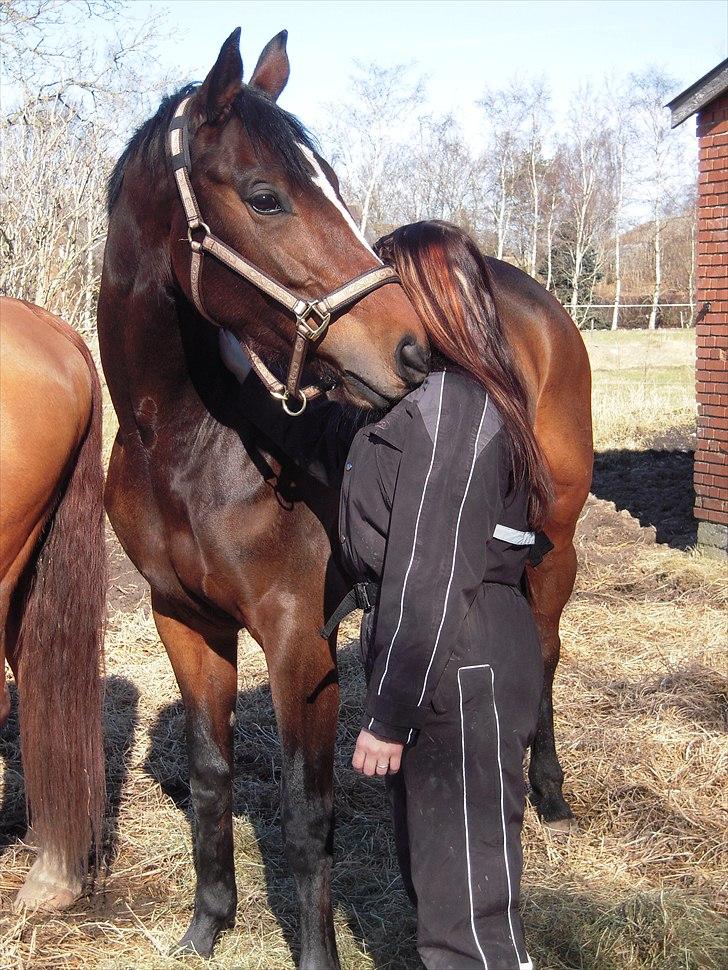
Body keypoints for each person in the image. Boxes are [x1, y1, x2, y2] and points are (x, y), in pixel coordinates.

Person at [221, 221, 552, 970]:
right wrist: (240, 358)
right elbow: (321, 438)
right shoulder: (408, 406)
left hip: (464, 667)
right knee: (438, 885)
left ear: (432, 296)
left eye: (388, 284)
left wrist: (390, 715)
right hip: (438, 662)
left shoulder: (457, 409)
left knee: (468, 912)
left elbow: (430, 579)